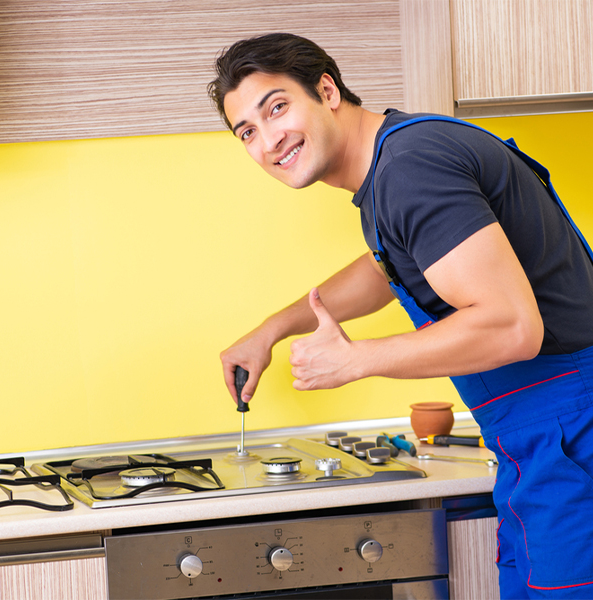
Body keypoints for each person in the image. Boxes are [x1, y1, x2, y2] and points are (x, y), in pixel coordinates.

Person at [207, 33, 593, 599]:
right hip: (540, 446)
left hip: (571, 437)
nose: (269, 140)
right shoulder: (394, 162)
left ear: (327, 90)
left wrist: (356, 360)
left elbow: (513, 326)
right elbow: (388, 266)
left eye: (278, 108)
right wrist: (272, 329)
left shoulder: (409, 171)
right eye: (247, 131)